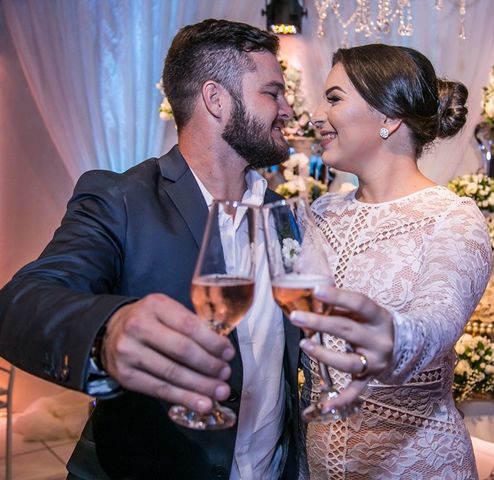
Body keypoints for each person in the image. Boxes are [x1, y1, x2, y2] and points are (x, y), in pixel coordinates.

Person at [0, 19, 301, 479]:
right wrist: (108, 329)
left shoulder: (282, 215)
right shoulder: (121, 199)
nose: (288, 108)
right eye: (272, 93)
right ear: (216, 100)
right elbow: (21, 302)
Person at [289, 44, 492, 478]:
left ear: (389, 116)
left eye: (334, 98)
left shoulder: (452, 218)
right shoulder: (318, 215)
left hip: (418, 465)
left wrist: (396, 342)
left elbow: (438, 319)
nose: (315, 115)